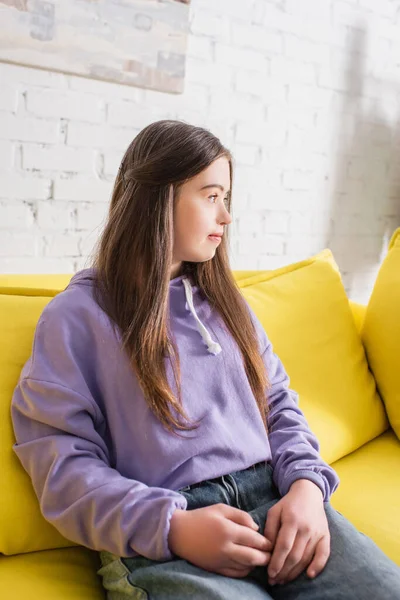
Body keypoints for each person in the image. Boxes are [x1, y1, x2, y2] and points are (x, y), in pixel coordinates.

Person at [11, 120, 400, 600]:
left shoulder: (228, 305)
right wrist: (175, 527)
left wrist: (306, 488)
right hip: (164, 532)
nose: (227, 216)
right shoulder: (76, 317)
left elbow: (279, 405)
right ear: (157, 200)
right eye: (211, 196)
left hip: (278, 504)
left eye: (227, 198)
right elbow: (62, 466)